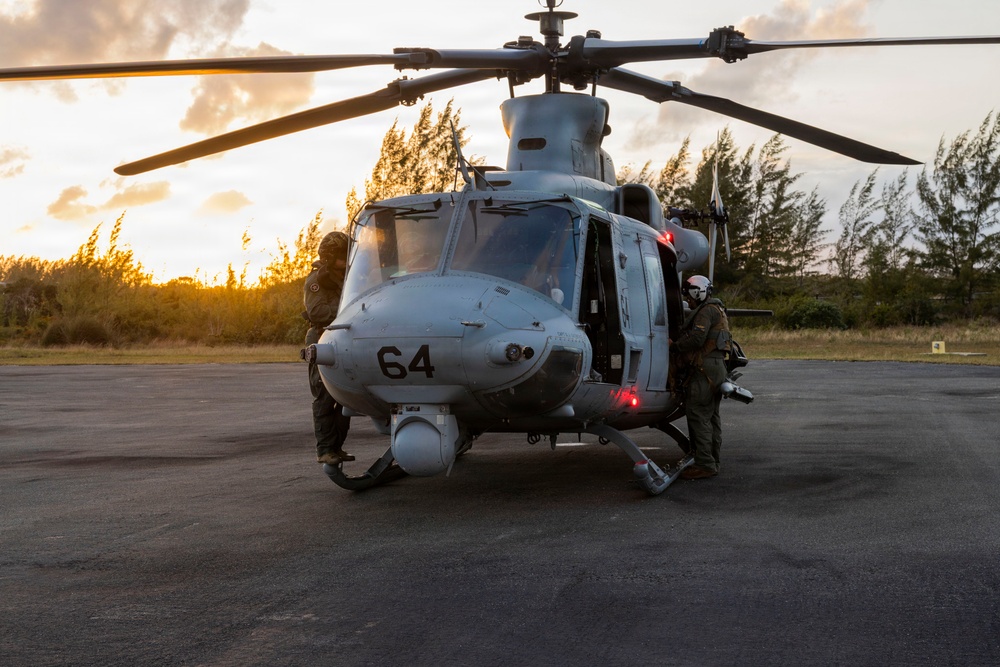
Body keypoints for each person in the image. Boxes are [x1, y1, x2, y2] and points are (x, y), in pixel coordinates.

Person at [670, 275, 732, 480]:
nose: (688, 301)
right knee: (711, 416)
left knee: (697, 413)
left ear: (698, 293)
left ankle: (705, 464)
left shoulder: (706, 311)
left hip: (705, 369)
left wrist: (675, 346)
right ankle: (713, 460)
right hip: (716, 368)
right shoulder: (718, 310)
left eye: (689, 297)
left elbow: (697, 339)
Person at [304, 231, 353, 465]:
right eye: (342, 254)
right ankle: (325, 449)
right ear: (330, 256)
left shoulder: (349, 277)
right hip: (321, 338)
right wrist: (346, 311)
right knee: (324, 397)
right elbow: (316, 312)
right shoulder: (317, 280)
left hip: (342, 338)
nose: (347, 258)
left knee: (346, 397)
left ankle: (337, 447)